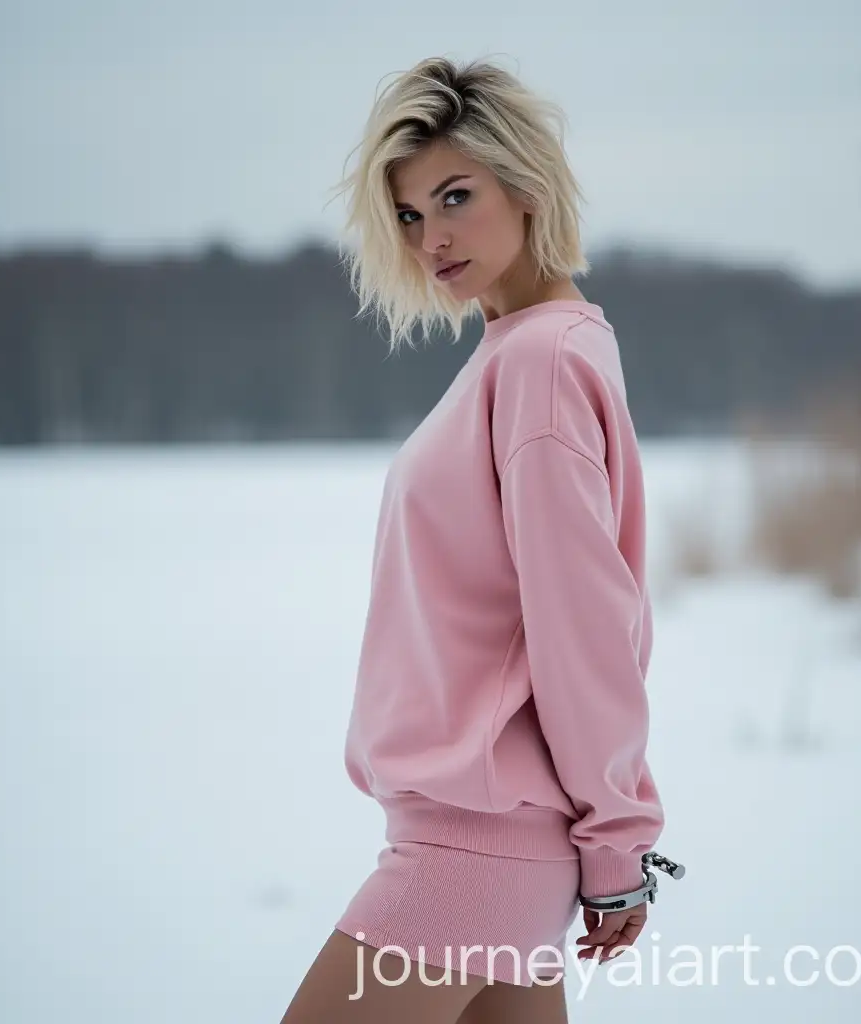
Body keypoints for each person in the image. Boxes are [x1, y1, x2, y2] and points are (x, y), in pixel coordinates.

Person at [280, 54, 672, 1024]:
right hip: (497, 841)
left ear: (527, 184)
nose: (431, 236)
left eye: (455, 196)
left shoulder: (538, 363)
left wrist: (619, 845)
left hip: (475, 841)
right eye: (410, 215)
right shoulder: (522, 353)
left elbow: (583, 625)